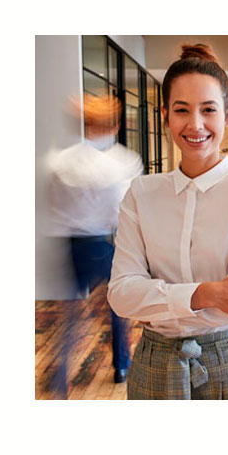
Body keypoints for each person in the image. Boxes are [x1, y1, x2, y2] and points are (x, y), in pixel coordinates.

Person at [108, 44, 228, 400]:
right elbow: (122, 295)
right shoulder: (141, 193)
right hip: (153, 365)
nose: (195, 124)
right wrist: (209, 293)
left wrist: (158, 298)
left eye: (208, 110)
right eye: (182, 110)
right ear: (165, 116)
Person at [42, 94, 143, 389]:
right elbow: (122, 210)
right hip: (103, 243)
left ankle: (60, 375)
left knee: (71, 314)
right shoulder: (122, 162)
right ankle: (121, 367)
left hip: (72, 246)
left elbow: (54, 207)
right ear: (114, 126)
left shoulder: (58, 162)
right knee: (117, 309)